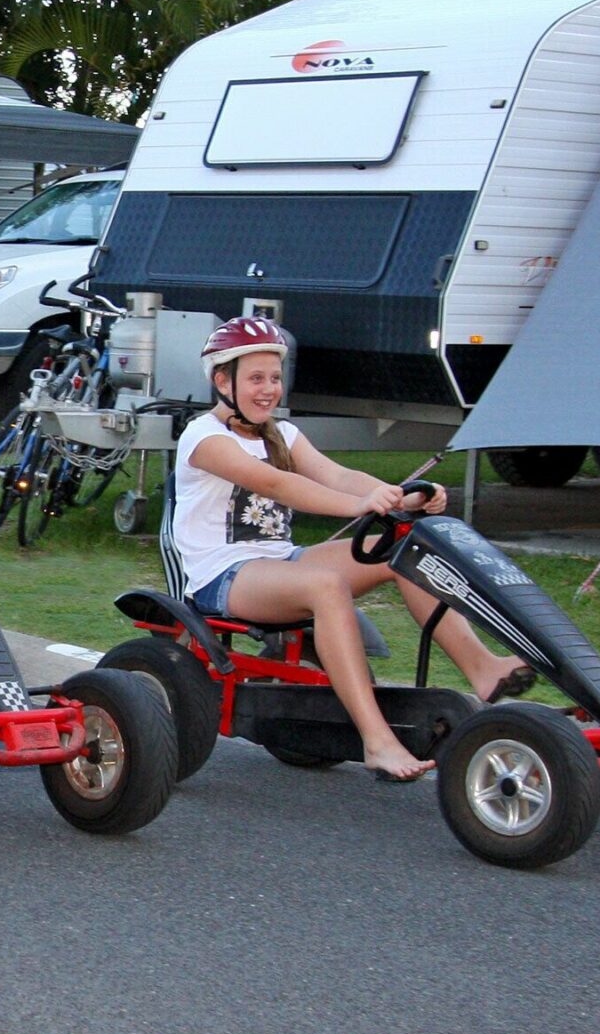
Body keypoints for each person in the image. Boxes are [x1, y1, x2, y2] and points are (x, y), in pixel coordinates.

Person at [174, 316, 535, 782]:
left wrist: (403, 494)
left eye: (275, 378)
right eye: (255, 379)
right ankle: (377, 740)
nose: (268, 389)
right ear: (222, 380)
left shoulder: (281, 434)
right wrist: (361, 504)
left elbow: (338, 476)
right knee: (325, 586)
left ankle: (482, 667)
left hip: (279, 561)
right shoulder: (204, 438)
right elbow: (277, 484)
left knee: (404, 549)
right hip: (221, 574)